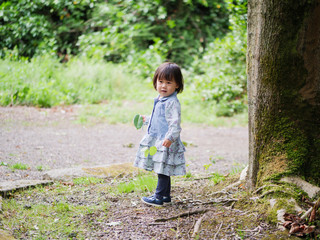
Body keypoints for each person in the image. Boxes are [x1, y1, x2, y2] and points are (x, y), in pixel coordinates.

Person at [134, 62, 186, 206]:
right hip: (159, 139)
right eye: (160, 81)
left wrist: (170, 138)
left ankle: (158, 197)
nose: (163, 86)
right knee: (163, 168)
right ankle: (165, 196)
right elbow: (159, 118)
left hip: (165, 140)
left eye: (168, 83)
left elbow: (175, 124)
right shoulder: (160, 99)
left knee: (162, 169)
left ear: (177, 85)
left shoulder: (172, 103)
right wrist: (147, 119)